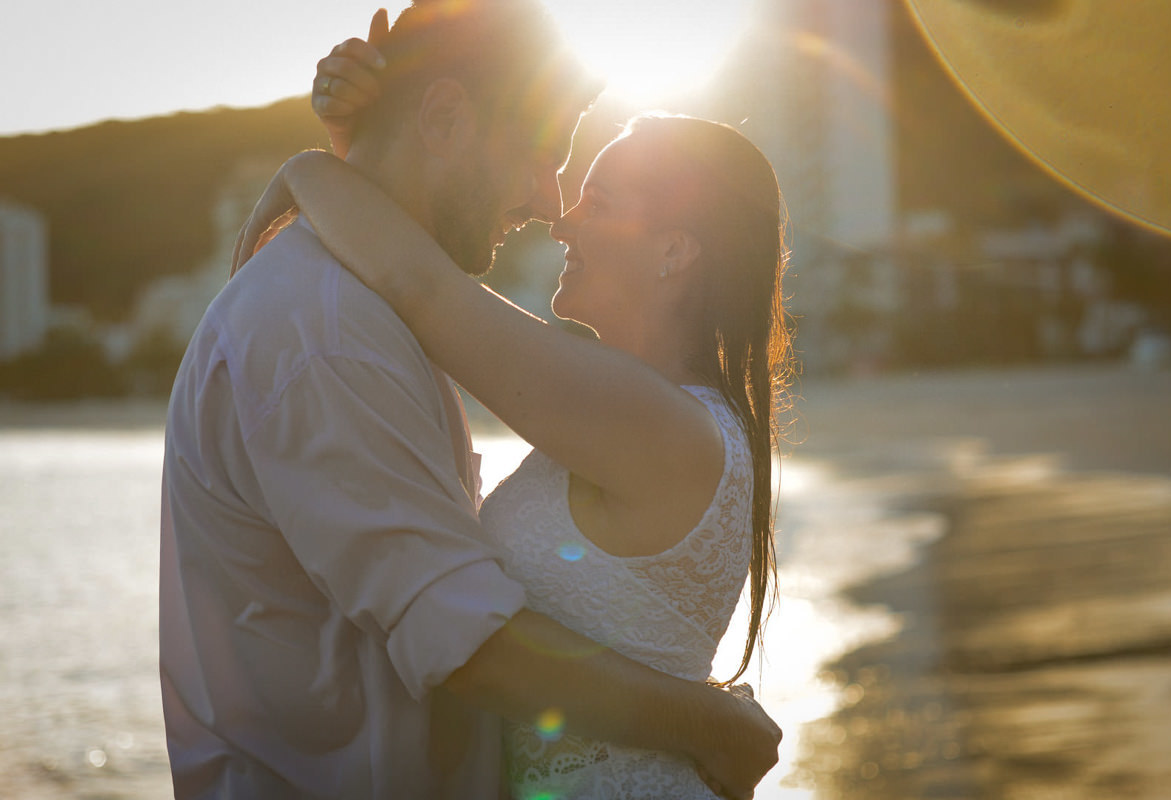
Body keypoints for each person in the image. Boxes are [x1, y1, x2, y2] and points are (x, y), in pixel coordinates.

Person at [160, 2, 781, 799]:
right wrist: (709, 723)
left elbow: (424, 285)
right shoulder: (333, 330)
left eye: (596, 198)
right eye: (544, 158)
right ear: (446, 117)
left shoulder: (392, 323)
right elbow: (466, 640)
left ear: (675, 251)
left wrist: (313, 172)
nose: (554, 208)